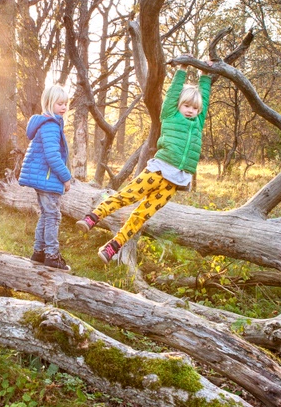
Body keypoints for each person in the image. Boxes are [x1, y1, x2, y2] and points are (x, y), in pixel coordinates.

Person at [78, 58, 211, 263]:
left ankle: (112, 247)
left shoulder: (198, 123)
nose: (191, 110)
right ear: (178, 105)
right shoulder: (170, 115)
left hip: (174, 183)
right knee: (126, 197)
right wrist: (182, 69)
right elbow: (173, 93)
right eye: (186, 105)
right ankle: (94, 216)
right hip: (157, 172)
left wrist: (206, 75)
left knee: (141, 216)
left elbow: (206, 98)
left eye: (195, 108)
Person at [18, 84, 74, 271]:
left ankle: (39, 252)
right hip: (48, 178)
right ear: (49, 103)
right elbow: (52, 156)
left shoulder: (47, 123)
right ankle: (52, 255)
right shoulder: (50, 125)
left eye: (66, 103)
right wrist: (66, 178)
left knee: (46, 214)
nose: (64, 107)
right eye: (60, 104)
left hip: (43, 178)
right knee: (53, 216)